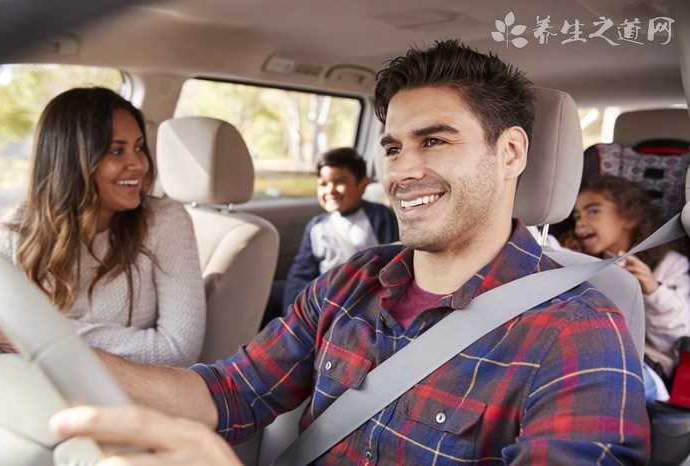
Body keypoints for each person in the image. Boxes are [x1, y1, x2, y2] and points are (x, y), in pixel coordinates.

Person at [50, 40, 649, 465]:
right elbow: (227, 393)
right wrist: (51, 352)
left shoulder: (578, 332)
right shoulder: (351, 282)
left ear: (511, 153)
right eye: (391, 148)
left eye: (435, 141)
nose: (404, 171)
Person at [0, 87, 206, 366]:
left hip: (130, 400)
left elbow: (178, 350)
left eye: (139, 147)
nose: (139, 164)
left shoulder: (164, 221)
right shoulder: (17, 230)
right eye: (117, 151)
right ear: (70, 161)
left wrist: (38, 334)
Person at [572, 175, 690, 383]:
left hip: (647, 366)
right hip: (588, 354)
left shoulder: (669, 264)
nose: (580, 223)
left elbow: (679, 336)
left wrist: (654, 290)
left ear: (629, 217)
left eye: (593, 211)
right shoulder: (577, 262)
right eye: (576, 216)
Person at [283, 147, 398, 310]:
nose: (330, 190)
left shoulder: (379, 216)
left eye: (340, 182)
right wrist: (293, 309)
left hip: (364, 298)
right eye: (323, 184)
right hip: (325, 299)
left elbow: (392, 262)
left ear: (363, 185)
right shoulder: (316, 226)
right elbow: (300, 274)